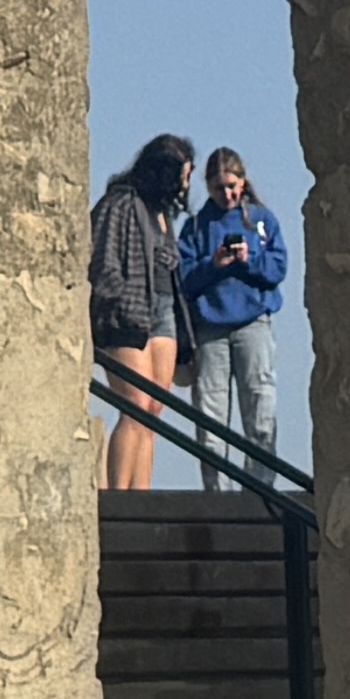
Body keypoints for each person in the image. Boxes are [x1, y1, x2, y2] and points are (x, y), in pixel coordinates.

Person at [89, 133, 196, 487]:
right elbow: (102, 262)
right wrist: (115, 303)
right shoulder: (119, 204)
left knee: (153, 413)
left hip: (163, 314)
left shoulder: (162, 213)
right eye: (183, 173)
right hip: (127, 315)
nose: (186, 182)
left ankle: (142, 494)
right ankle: (120, 497)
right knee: (134, 405)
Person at [176, 146, 291, 457]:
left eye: (231, 186)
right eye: (218, 188)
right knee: (210, 419)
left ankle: (259, 494)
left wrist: (248, 260)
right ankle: (217, 497)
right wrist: (213, 265)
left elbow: (278, 268)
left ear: (242, 182)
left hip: (253, 325)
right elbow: (182, 279)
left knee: (260, 410)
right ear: (208, 186)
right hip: (210, 329)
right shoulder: (196, 228)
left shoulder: (262, 220)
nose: (226, 194)